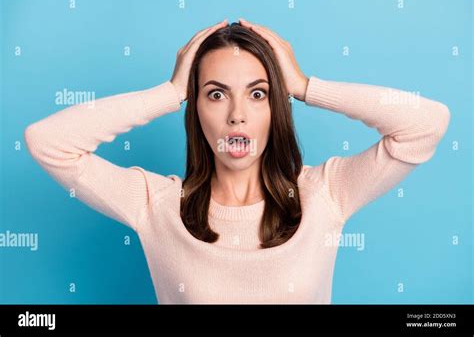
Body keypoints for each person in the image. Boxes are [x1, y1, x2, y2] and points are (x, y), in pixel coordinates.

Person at [24, 18, 450, 303]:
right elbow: (47, 141)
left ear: (274, 109)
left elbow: (426, 124)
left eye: (258, 93)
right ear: (198, 110)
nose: (237, 114)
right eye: (216, 93)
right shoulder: (154, 204)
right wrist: (170, 93)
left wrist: (304, 85)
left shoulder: (325, 195)